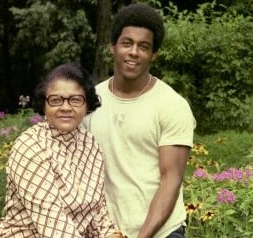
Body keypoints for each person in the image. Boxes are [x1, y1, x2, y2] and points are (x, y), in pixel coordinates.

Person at [83, 3, 196, 238]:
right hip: (106, 231)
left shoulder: (172, 106)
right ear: (113, 46)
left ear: (153, 54)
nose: (134, 52)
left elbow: (171, 180)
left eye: (143, 46)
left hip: (161, 231)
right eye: (127, 43)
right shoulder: (90, 101)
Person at [0, 63, 125, 238]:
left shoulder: (91, 145)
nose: (65, 107)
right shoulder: (31, 145)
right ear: (44, 105)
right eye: (56, 100)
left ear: (87, 104)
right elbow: (53, 225)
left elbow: (98, 213)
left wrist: (111, 235)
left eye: (75, 99)